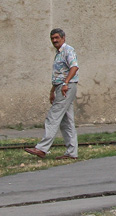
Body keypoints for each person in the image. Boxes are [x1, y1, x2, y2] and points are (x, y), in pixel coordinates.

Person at [24, 28, 79, 160]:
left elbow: (74, 67)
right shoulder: (58, 53)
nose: (54, 40)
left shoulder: (68, 50)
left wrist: (65, 83)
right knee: (66, 121)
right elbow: (59, 73)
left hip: (66, 87)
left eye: (56, 38)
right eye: (52, 38)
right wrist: (52, 90)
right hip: (61, 87)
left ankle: (42, 148)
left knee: (53, 117)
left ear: (63, 38)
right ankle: (72, 152)